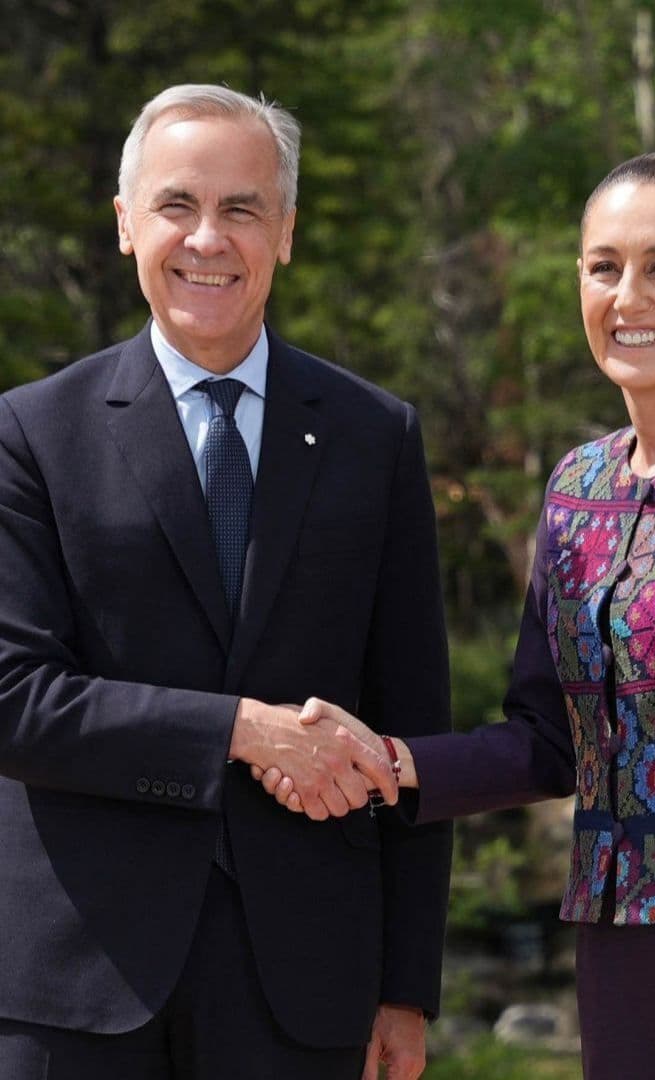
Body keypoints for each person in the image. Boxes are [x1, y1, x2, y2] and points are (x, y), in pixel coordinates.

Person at [267, 153, 655, 1080]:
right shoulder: (576, 490)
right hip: (615, 951)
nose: (629, 296)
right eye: (604, 267)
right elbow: (548, 739)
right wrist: (390, 762)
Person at [0, 84, 452, 1080]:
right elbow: (14, 702)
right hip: (75, 989)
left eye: (242, 208)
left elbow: (412, 720)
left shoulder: (375, 435)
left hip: (305, 987)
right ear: (127, 223)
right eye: (177, 205)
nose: (208, 238)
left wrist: (405, 984)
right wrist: (242, 730)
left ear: (284, 233)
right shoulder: (30, 433)